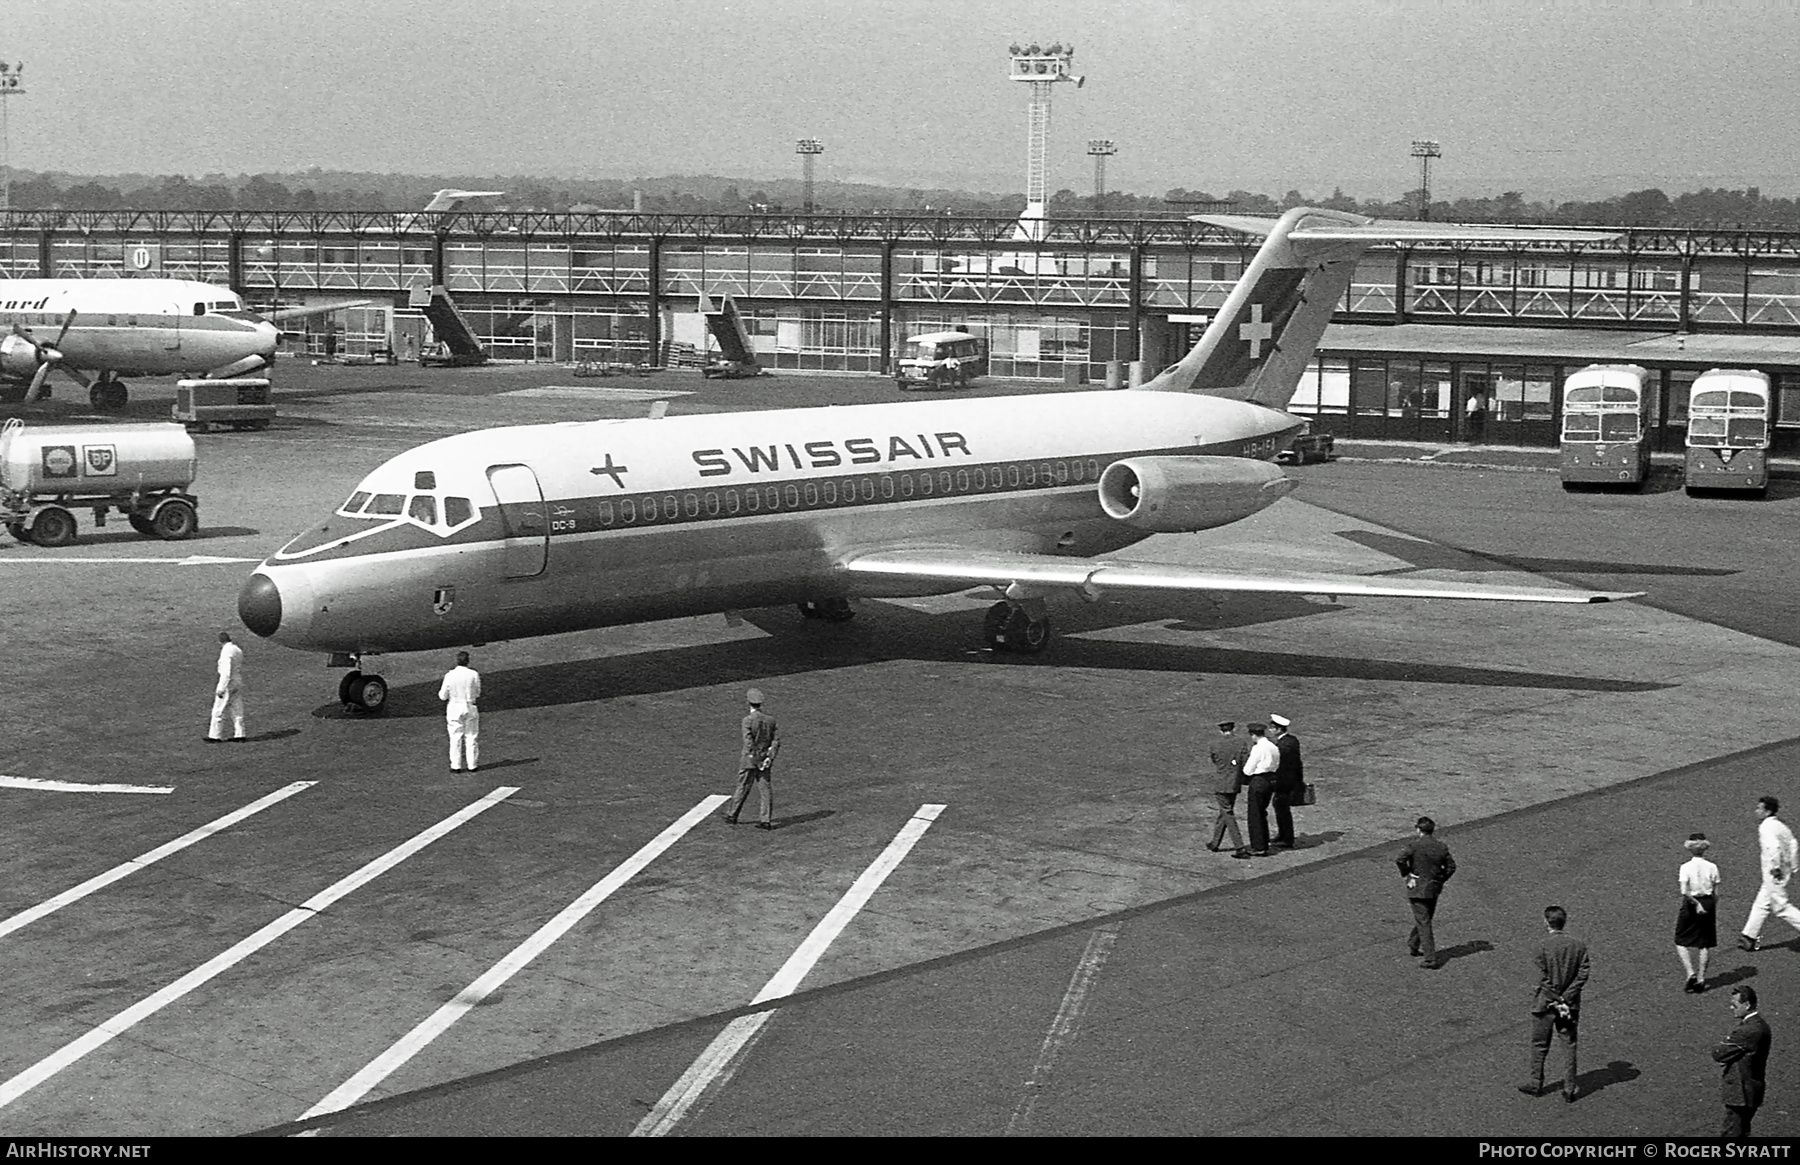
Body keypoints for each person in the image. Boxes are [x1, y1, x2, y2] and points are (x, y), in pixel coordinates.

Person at [1521, 905, 1590, 1103]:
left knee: (1540, 1044)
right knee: (1569, 1044)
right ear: (1564, 921)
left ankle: (1536, 1082)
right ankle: (1570, 1087)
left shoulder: (1541, 946)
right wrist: (1567, 997)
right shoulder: (1578, 945)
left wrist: (1555, 996)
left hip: (1545, 1004)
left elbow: (1542, 978)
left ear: (1546, 922)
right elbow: (1583, 973)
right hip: (1569, 1006)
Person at [1737, 795, 1800, 952]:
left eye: (1760, 808)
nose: (1756, 811)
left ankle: (1749, 937)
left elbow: (1773, 848)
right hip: (1782, 870)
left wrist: (1776, 867)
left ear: (1767, 811)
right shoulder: (1780, 826)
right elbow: (1793, 844)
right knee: (1762, 903)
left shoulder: (1765, 827)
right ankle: (1749, 936)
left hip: (1773, 872)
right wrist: (1793, 866)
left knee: (1781, 906)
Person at [1395, 816, 1456, 969]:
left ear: (1418, 829)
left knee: (1424, 921)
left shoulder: (1414, 845)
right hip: (1433, 888)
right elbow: (1451, 867)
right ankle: (1413, 943)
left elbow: (1400, 859)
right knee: (1425, 918)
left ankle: (1430, 958)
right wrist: (1440, 879)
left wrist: (1407, 873)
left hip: (1416, 887)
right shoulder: (1441, 846)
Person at [1712, 983, 1772, 1139]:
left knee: (1731, 1133)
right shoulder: (1759, 1026)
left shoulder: (1747, 1030)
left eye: (1735, 1005)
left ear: (1746, 1005)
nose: (1732, 1008)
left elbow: (1718, 1053)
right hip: (1750, 1089)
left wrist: (1725, 1044)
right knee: (1741, 1131)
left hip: (1741, 1092)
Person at [723, 688, 780, 829]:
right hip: (765, 761)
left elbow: (748, 742)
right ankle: (765, 819)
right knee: (765, 789)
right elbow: (775, 741)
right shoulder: (770, 720)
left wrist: (754, 759)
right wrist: (768, 758)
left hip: (750, 760)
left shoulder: (747, 721)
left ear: (748, 702)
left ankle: (733, 815)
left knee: (743, 786)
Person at [1676, 832, 1721, 992]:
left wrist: (1696, 904)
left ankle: (1690, 973)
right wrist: (1707, 906)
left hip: (1691, 904)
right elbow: (1716, 892)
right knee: (1704, 943)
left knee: (1681, 940)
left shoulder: (1685, 867)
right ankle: (1701, 978)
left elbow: (1684, 891)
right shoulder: (1712, 867)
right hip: (1708, 903)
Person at [1205, 720, 1250, 858]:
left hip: (1221, 782)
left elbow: (1214, 760)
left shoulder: (1215, 745)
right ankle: (1215, 842)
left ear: (1221, 731)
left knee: (1227, 813)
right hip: (1235, 782)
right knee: (1225, 811)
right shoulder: (1241, 743)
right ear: (1233, 729)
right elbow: (1244, 761)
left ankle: (1239, 846)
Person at [437, 650, 481, 772]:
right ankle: (472, 765)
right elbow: (477, 692)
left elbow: (442, 696)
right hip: (470, 705)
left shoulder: (450, 675)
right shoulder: (473, 674)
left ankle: (455, 765)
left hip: (454, 707)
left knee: (455, 737)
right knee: (471, 736)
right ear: (468, 661)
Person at [1240, 722, 1279, 857]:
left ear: (1253, 735)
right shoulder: (1273, 746)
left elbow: (1248, 770)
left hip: (1259, 781)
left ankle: (1259, 846)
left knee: (1255, 814)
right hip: (1271, 780)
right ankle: (1264, 841)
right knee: (1262, 811)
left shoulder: (1258, 748)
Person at [1270, 713, 1304, 849]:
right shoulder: (1292, 740)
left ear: (1279, 729)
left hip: (1284, 782)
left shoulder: (1283, 745)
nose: (1270, 731)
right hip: (1291, 780)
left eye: (1272, 728)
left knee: (1281, 808)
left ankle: (1286, 838)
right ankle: (1283, 834)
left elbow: (1281, 766)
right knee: (1280, 807)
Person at [205, 631, 247, 743]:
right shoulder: (237, 649)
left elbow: (226, 671)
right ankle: (240, 734)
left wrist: (221, 687)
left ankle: (215, 736)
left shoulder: (226, 652)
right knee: (237, 708)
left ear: (220, 641)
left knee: (218, 710)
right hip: (238, 680)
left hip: (228, 682)